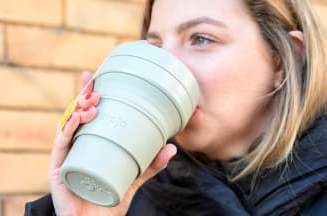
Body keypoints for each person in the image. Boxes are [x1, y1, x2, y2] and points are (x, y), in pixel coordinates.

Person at [25, 0, 327, 215]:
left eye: (201, 39)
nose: (164, 65)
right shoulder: (133, 194)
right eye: (154, 47)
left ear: (283, 59)